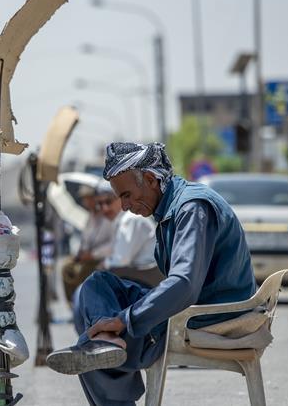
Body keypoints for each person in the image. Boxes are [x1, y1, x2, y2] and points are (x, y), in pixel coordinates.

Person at [46, 142, 257, 406]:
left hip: (211, 314)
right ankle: (105, 341)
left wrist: (125, 320)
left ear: (149, 179)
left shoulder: (191, 208)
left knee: (90, 346)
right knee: (97, 285)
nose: (123, 206)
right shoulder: (172, 207)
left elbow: (184, 284)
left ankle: (105, 344)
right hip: (193, 305)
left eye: (126, 195)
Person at [92, 180, 163, 289]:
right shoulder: (121, 220)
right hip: (140, 277)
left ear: (120, 199)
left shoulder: (130, 219)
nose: (104, 208)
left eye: (108, 201)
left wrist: (103, 264)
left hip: (148, 280)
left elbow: (120, 261)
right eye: (100, 204)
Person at [61, 184, 114, 307]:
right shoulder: (91, 216)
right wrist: (81, 252)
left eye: (88, 198)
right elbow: (86, 238)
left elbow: (112, 243)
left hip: (99, 257)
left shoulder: (106, 215)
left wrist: (92, 254)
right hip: (88, 255)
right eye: (84, 199)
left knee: (80, 273)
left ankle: (82, 301)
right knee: (66, 267)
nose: (86, 202)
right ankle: (73, 302)